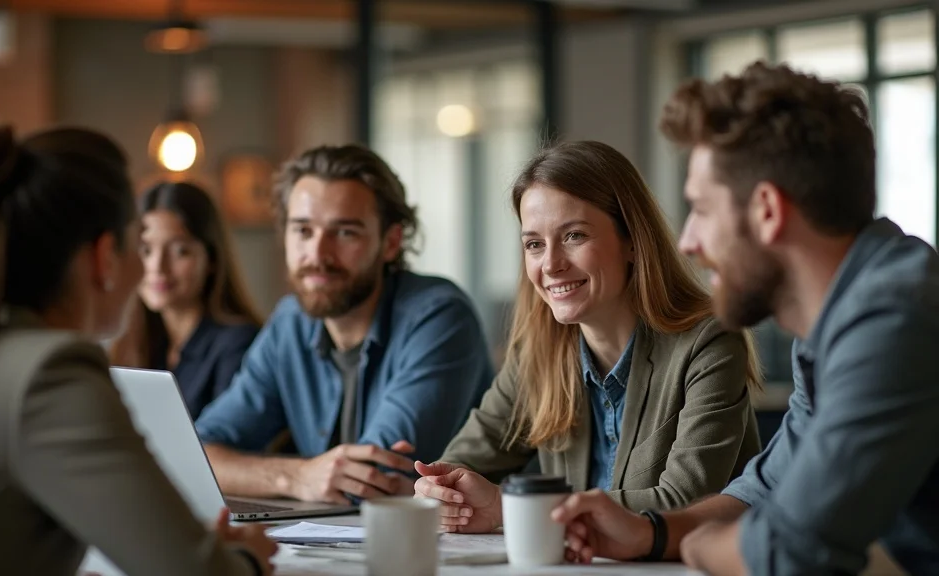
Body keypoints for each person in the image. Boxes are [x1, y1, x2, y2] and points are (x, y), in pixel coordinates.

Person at [552, 61, 939, 576]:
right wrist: (650, 531)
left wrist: (698, 546)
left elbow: (791, 553)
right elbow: (768, 488)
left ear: (767, 211)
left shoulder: (895, 318)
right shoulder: (836, 320)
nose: (687, 241)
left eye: (703, 210)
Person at [0, 106, 276, 576]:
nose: (151, 269)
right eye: (139, 244)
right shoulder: (49, 372)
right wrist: (245, 557)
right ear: (105, 256)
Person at [412, 140, 763, 533]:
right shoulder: (538, 352)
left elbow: (685, 501)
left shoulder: (708, 342)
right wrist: (441, 493)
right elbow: (462, 462)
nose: (552, 264)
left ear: (632, 241)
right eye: (534, 244)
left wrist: (509, 509)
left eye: (574, 236)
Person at [194, 144, 494, 504]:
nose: (318, 255)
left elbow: (373, 481)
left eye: (345, 232)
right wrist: (295, 477)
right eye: (303, 231)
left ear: (391, 242)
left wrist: (275, 474)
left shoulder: (439, 317)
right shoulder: (290, 323)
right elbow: (196, 452)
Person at [109, 181, 262, 421]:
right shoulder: (136, 340)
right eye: (146, 250)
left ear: (211, 259)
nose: (157, 267)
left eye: (180, 251)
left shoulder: (239, 345)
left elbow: (225, 443)